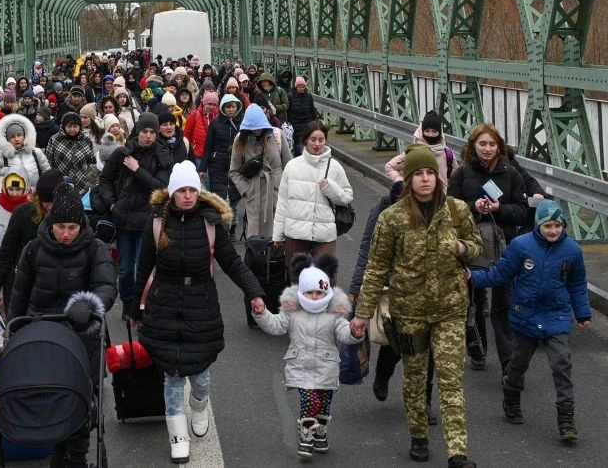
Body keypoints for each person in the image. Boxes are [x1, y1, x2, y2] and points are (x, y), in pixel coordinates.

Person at [351, 146, 483, 468]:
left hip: (450, 308)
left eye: (430, 174)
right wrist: (361, 314)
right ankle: (419, 435)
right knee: (414, 376)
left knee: (451, 378)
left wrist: (464, 247)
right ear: (408, 180)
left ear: (438, 178)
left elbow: (477, 246)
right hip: (409, 311)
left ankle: (457, 452)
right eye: (418, 175)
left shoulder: (457, 211)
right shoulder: (391, 218)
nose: (425, 180)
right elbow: (377, 267)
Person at [126, 161, 265, 464]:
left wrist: (254, 291)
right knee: (172, 375)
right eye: (182, 190)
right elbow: (144, 266)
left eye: (192, 190)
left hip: (201, 303)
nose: (188, 195)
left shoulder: (211, 223)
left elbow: (232, 262)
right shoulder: (157, 222)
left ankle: (199, 405)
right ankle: (178, 435)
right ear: (173, 193)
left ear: (198, 192)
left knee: (200, 373)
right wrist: (133, 307)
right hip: (164, 303)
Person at [9, 182, 116, 468]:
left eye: (72, 227)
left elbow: (106, 286)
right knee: (50, 397)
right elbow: (19, 294)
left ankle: (78, 458)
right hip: (41, 331)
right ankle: (58, 454)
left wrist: (89, 304)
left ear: (81, 225)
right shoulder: (33, 250)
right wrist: (13, 334)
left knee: (79, 399)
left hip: (82, 335)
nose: (66, 234)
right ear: (50, 223)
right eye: (60, 227)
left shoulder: (96, 250)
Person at [469, 200, 591, 445]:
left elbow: (577, 284)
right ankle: (511, 394)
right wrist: (473, 278)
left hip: (556, 314)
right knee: (518, 363)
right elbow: (501, 274)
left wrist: (583, 312)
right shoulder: (521, 246)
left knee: (561, 363)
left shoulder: (572, 251)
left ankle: (566, 418)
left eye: (557, 226)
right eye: (548, 226)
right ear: (539, 226)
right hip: (525, 314)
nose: (553, 231)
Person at [253, 253, 361, 459]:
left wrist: (355, 333)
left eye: (319, 292)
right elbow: (276, 326)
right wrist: (262, 314)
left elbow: (343, 332)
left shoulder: (334, 312)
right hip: (300, 365)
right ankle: (306, 435)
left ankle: (320, 431)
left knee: (323, 402)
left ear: (326, 290)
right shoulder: (292, 310)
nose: (314, 297)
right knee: (309, 400)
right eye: (309, 292)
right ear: (301, 291)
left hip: (326, 366)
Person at [348, 181, 439, 423]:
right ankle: (383, 374)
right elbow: (367, 248)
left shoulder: (435, 207)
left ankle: (424, 402)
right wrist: (357, 288)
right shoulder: (382, 209)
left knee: (426, 348)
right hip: (393, 287)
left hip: (425, 289)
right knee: (396, 340)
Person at [447, 123, 532, 373]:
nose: (487, 149)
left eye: (492, 144)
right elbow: (450, 209)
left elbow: (521, 211)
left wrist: (498, 209)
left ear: (499, 147)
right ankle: (477, 348)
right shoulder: (461, 174)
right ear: (474, 145)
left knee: (503, 300)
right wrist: (475, 206)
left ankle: (508, 360)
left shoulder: (511, 174)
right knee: (473, 297)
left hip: (504, 245)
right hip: (471, 244)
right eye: (482, 144)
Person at [96, 111, 174, 309]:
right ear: (137, 132)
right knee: (124, 268)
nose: (148, 136)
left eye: (152, 132)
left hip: (148, 219)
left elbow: (161, 187)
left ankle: (141, 304)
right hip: (123, 218)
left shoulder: (163, 155)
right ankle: (127, 302)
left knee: (143, 267)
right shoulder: (123, 153)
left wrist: (137, 170)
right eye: (144, 131)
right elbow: (105, 179)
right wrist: (112, 203)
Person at [272, 120, 353, 275]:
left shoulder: (334, 166)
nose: (317, 144)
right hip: (295, 232)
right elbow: (283, 201)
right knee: (297, 278)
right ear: (306, 141)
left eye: (321, 140)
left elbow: (347, 197)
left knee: (326, 278)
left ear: (325, 141)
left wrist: (330, 188)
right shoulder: (292, 166)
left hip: (324, 233)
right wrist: (278, 233)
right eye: (313, 140)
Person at [0, 169, 64, 307]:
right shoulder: (23, 213)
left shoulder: (68, 216)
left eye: (53, 202)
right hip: (20, 284)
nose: (49, 207)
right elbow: (6, 253)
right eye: (45, 201)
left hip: (54, 287)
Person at [229, 103, 291, 239]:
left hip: (276, 191)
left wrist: (286, 190)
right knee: (256, 240)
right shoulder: (240, 140)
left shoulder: (277, 136)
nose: (256, 130)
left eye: (259, 126)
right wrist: (247, 190)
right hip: (255, 193)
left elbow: (289, 166)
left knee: (279, 237)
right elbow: (234, 171)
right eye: (252, 127)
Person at [0, 113, 52, 188]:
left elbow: (48, 174)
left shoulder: (36, 152)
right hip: (14, 196)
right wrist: (0, 171)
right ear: (7, 139)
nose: (16, 139)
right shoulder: (3, 155)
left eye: (19, 135)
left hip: (35, 196)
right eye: (12, 137)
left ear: (24, 136)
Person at [384, 110, 458, 183]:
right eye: (427, 131)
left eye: (434, 131)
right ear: (422, 132)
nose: (430, 135)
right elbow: (389, 166)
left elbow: (457, 175)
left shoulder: (448, 154)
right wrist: (400, 182)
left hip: (440, 195)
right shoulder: (413, 152)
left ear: (440, 133)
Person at [201, 94, 243, 215]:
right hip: (217, 166)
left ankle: (233, 226)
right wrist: (202, 168)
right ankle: (222, 226)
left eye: (233, 107)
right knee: (220, 198)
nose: (231, 109)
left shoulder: (241, 123)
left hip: (236, 165)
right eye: (228, 107)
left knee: (235, 196)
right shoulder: (215, 123)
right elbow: (208, 146)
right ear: (223, 108)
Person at [45, 111, 98, 192]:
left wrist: (88, 179)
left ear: (80, 127)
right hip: (61, 183)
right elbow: (49, 162)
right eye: (69, 126)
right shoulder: (55, 140)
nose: (72, 129)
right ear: (63, 127)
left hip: (83, 184)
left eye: (75, 126)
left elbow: (92, 162)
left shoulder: (86, 141)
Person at [287, 77, 318, 156]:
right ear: (296, 87)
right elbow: (288, 111)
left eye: (303, 87)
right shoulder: (290, 96)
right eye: (299, 87)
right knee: (297, 143)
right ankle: (298, 158)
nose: (301, 88)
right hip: (295, 123)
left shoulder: (308, 96)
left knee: (307, 141)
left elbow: (312, 109)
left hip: (307, 123)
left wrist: (315, 122)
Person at [183, 91, 218, 162]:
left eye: (214, 105)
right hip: (198, 156)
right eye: (209, 104)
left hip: (214, 157)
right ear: (204, 103)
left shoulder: (219, 117)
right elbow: (186, 136)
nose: (211, 107)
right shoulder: (194, 115)